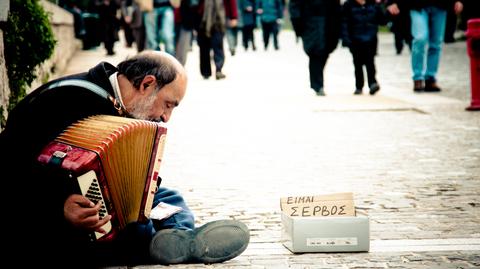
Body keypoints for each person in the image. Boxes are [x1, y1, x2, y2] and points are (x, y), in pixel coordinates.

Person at [0, 51, 250, 267]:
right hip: (48, 218)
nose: (166, 117)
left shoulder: (126, 108)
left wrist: (147, 185)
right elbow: (10, 167)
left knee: (168, 196)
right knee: (132, 229)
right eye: (168, 105)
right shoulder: (63, 100)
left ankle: (178, 237)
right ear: (147, 84)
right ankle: (165, 239)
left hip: (98, 204)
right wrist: (58, 207)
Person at [387, 0, 464, 93]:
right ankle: (417, 77)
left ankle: (430, 78)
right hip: (417, 5)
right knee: (420, 38)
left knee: (436, 43)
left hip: (440, 5)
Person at [289, 0, 342, 96]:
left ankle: (317, 83)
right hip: (310, 24)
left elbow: (337, 8)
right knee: (315, 55)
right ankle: (318, 85)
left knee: (325, 53)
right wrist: (298, 27)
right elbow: (294, 8)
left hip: (329, 25)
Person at [341, 0, 387, 95]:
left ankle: (372, 83)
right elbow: (344, 23)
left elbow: (383, 21)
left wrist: (380, 6)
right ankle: (359, 86)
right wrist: (346, 39)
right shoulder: (348, 5)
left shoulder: (373, 4)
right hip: (355, 40)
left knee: (370, 62)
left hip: (371, 39)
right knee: (358, 64)